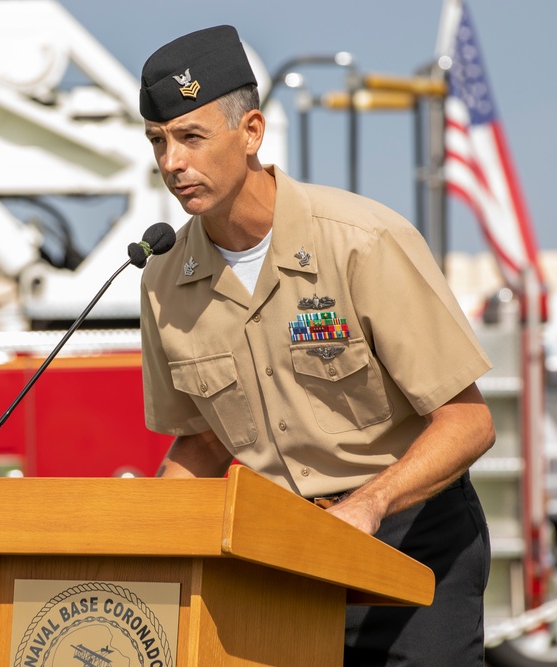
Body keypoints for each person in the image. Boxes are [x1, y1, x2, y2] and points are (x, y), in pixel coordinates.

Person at [138, 25, 495, 665]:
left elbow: (468, 420)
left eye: (191, 137)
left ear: (251, 132)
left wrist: (370, 503)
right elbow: (202, 441)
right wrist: (136, 542)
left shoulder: (363, 241)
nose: (172, 164)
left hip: (412, 544)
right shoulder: (164, 277)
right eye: (158, 142)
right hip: (283, 560)